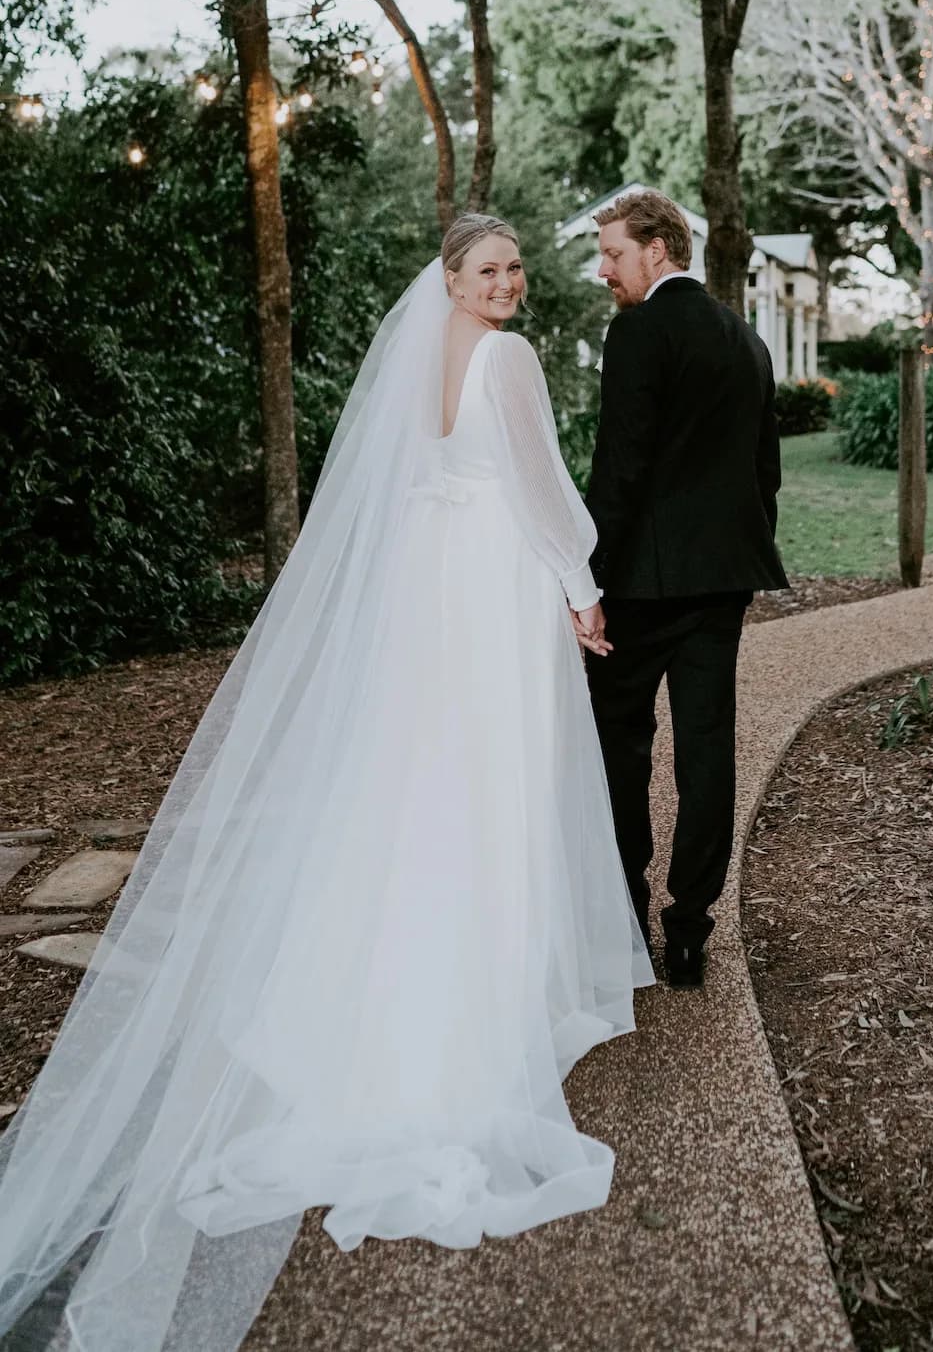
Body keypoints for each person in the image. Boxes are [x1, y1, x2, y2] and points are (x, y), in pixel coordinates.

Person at [0, 215, 653, 1352]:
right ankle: (484, 1001)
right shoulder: (510, 359)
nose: (506, 285)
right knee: (494, 785)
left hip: (433, 586)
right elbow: (542, 489)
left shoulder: (419, 357)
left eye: (512, 270)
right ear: (449, 281)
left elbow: (411, 485)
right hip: (492, 585)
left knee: (423, 788)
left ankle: (396, 996)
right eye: (486, 271)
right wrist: (579, 586)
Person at [584, 191, 788, 991]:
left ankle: (626, 917)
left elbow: (620, 467)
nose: (604, 269)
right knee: (706, 751)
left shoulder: (638, 331)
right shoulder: (747, 339)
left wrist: (587, 581)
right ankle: (691, 933)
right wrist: (742, 555)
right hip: (722, 581)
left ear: (659, 250)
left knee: (620, 748)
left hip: (639, 588)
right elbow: (762, 473)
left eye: (613, 253)